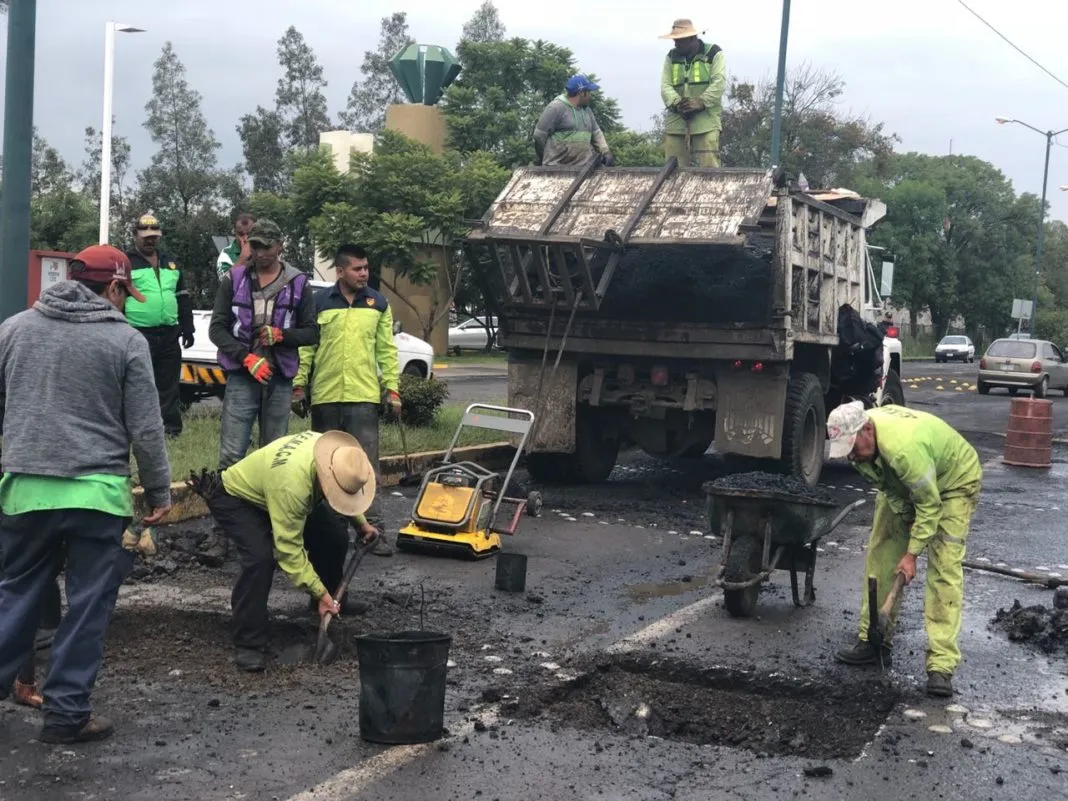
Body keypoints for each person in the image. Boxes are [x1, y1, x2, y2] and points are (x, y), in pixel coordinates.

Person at [0, 245, 172, 743]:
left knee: (17, 596)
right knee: (87, 606)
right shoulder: (126, 341)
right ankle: (66, 716)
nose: (127, 304)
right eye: (126, 293)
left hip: (26, 493)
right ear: (114, 287)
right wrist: (159, 490)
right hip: (97, 498)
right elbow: (146, 426)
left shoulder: (14, 330)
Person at [826, 401, 982, 698]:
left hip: (953, 482)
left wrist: (912, 555)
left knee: (944, 567)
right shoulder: (861, 451)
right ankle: (873, 639)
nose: (850, 455)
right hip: (905, 482)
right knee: (882, 548)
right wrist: (907, 519)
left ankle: (941, 665)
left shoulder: (903, 449)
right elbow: (887, 488)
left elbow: (931, 505)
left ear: (867, 429)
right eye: (844, 448)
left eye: (852, 446)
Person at [197, 429, 379, 672]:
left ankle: (333, 601)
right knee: (259, 560)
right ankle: (248, 642)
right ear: (326, 475)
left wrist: (361, 523)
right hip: (236, 497)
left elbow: (345, 491)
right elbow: (289, 552)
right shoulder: (292, 488)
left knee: (334, 537)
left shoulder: (331, 454)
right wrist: (318, 589)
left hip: (274, 487)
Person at [201, 218, 318, 566]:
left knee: (276, 457)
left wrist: (282, 337)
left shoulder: (298, 283)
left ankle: (271, 531)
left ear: (280, 245)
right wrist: (246, 357)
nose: (260, 252)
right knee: (231, 456)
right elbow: (218, 329)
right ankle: (222, 533)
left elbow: (312, 332)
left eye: (267, 245)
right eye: (255, 245)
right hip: (242, 377)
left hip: (280, 379)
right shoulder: (233, 279)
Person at [294, 245, 400, 557]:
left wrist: (391, 389)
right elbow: (307, 348)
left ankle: (372, 530)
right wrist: (299, 384)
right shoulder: (318, 303)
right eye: (357, 269)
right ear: (340, 271)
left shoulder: (378, 303)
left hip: (363, 396)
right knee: (325, 466)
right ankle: (328, 528)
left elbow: (387, 351)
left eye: (366, 268)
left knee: (365, 465)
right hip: (325, 396)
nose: (364, 273)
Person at [124, 213, 195, 439]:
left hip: (169, 333)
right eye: (144, 235)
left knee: (169, 384)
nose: (149, 240)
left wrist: (188, 326)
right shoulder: (125, 262)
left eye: (153, 236)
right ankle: (135, 428)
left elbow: (182, 296)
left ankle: (170, 430)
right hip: (137, 332)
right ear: (135, 235)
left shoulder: (170, 262)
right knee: (138, 383)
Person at [659, 18, 726, 167]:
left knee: (709, 166)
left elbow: (719, 83)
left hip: (706, 121)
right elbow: (665, 85)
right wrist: (677, 104)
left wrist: (701, 102)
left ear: (692, 38)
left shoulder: (713, 53)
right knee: (672, 169)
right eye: (674, 40)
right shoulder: (671, 56)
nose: (675, 43)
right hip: (677, 121)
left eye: (679, 40)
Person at [533, 74, 614, 167]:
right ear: (581, 93)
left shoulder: (587, 111)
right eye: (588, 92)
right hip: (556, 168)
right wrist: (543, 156)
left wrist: (606, 152)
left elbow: (596, 133)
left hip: (583, 169)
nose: (590, 96)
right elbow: (539, 136)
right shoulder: (556, 108)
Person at [216, 211, 257, 277]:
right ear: (234, 232)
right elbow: (223, 281)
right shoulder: (226, 254)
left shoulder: (265, 248)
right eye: (241, 234)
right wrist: (243, 258)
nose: (246, 239)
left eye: (250, 234)